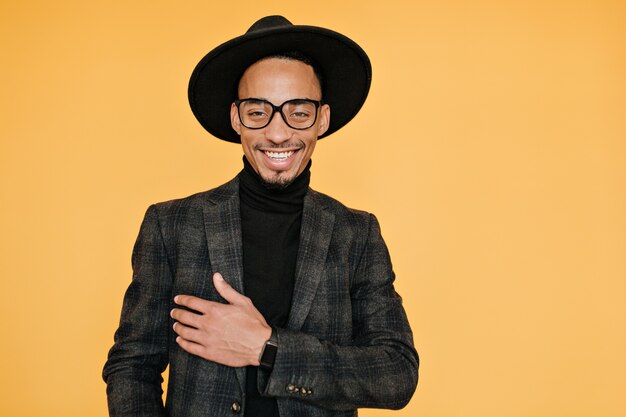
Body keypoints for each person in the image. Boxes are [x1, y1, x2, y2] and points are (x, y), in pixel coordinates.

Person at [103, 15, 418, 417]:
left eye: (298, 113)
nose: (278, 133)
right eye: (258, 112)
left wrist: (268, 348)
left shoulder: (357, 233)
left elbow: (396, 374)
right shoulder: (171, 226)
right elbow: (132, 367)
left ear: (322, 118)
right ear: (237, 118)